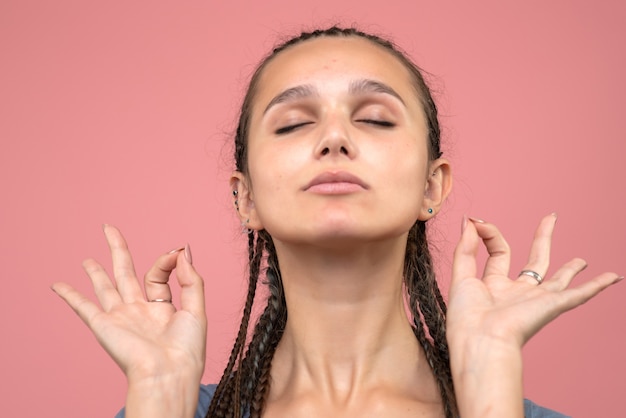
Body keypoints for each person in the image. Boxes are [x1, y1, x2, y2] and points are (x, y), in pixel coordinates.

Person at [52, 27, 621, 418]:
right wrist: (155, 395)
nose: (334, 138)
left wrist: (490, 380)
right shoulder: (164, 408)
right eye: (292, 124)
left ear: (432, 186)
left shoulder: (506, 406)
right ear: (243, 197)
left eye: (374, 118)